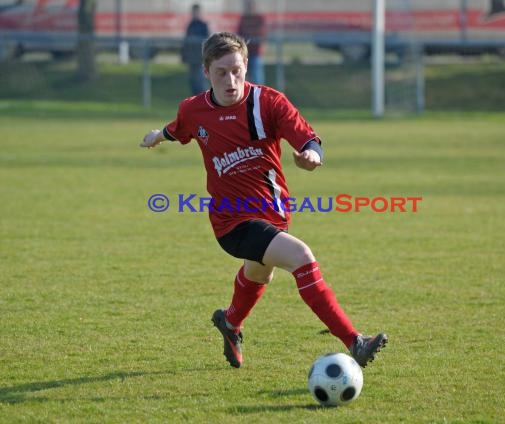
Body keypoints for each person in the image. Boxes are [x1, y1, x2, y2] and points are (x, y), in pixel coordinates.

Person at [140, 32, 387, 369]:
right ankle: (354, 341)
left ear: (246, 67)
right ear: (206, 73)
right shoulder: (194, 110)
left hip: (273, 215)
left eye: (237, 70)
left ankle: (230, 323)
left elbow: (307, 137)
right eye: (221, 73)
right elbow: (178, 128)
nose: (231, 80)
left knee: (259, 276)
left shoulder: (268, 103)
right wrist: (157, 136)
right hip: (231, 223)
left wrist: (311, 154)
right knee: (301, 257)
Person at [181, 3, 210, 95]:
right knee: (193, 81)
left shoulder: (203, 25)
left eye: (196, 12)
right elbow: (186, 42)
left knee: (201, 81)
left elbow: (207, 41)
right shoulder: (190, 26)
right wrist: (184, 55)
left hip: (200, 58)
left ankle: (204, 100)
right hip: (192, 58)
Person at [237, 0, 266, 85]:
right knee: (242, 76)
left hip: (255, 52)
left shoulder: (259, 18)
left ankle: (259, 95)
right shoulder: (243, 18)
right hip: (244, 53)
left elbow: (261, 33)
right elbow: (239, 34)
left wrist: (249, 36)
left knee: (257, 77)